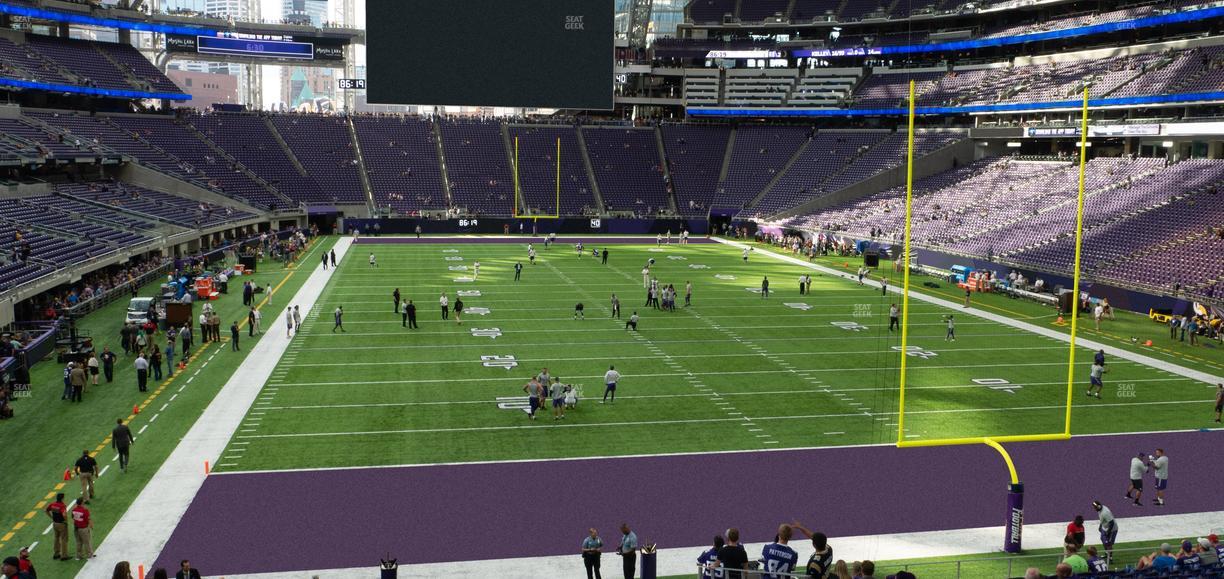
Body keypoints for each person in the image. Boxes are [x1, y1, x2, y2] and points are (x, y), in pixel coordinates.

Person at [45, 492, 69, 560]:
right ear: (62, 498)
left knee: (56, 538)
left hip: (55, 523)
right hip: (61, 524)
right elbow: (64, 514)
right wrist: (66, 521)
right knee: (64, 539)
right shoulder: (62, 505)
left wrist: (51, 517)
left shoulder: (52, 504)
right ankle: (64, 555)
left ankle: (56, 553)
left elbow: (46, 510)